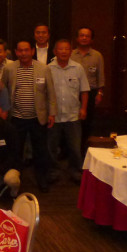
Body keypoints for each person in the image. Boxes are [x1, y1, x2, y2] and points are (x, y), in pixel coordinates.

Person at [1, 39, 57, 192]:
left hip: (38, 118)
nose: (23, 53)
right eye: (20, 50)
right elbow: (3, 91)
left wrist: (52, 113)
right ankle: (14, 181)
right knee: (16, 150)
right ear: (16, 52)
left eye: (26, 50)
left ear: (32, 51)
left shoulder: (44, 68)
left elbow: (51, 93)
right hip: (16, 118)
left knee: (40, 150)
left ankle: (41, 178)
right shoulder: (9, 68)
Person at [48, 39, 89, 184]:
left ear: (71, 52)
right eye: (61, 49)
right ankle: (53, 172)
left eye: (67, 49)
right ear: (55, 51)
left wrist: (83, 108)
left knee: (75, 148)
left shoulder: (78, 68)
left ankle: (75, 172)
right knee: (52, 147)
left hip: (73, 115)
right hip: (54, 116)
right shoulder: (48, 68)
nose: (64, 52)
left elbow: (84, 90)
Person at [71, 27, 105, 144]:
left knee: (87, 121)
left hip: (91, 93)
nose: (84, 38)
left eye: (87, 36)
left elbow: (100, 76)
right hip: (73, 93)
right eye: (82, 35)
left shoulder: (97, 55)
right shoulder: (71, 54)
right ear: (77, 38)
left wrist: (100, 93)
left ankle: (84, 146)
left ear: (91, 39)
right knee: (72, 121)